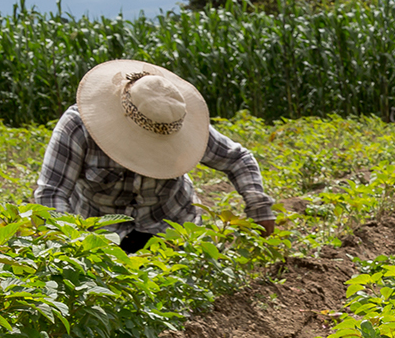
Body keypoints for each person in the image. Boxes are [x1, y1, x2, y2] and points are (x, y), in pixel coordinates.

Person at [35, 60, 275, 252]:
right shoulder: (80, 126)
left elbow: (238, 159)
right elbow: (52, 193)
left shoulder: (174, 120)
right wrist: (70, 247)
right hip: (102, 237)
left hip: (172, 229)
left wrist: (259, 208)